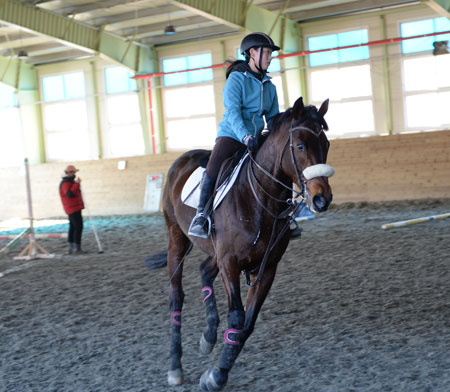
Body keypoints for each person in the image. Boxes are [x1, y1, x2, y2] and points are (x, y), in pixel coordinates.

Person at [188, 32, 280, 238]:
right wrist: (245, 136)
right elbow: (233, 112)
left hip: (257, 138)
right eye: (266, 52)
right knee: (213, 167)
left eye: (270, 53)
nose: (269, 57)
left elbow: (273, 117)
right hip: (232, 135)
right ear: (252, 53)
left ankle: (284, 215)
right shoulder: (236, 79)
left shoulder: (270, 86)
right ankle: (201, 215)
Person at [59, 164, 86, 254]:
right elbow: (69, 194)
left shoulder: (70, 182)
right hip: (72, 208)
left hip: (74, 207)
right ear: (68, 173)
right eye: (72, 172)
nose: (74, 173)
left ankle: (72, 248)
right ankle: (76, 248)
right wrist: (77, 184)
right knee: (78, 227)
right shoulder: (66, 183)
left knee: (73, 227)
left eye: (74, 172)